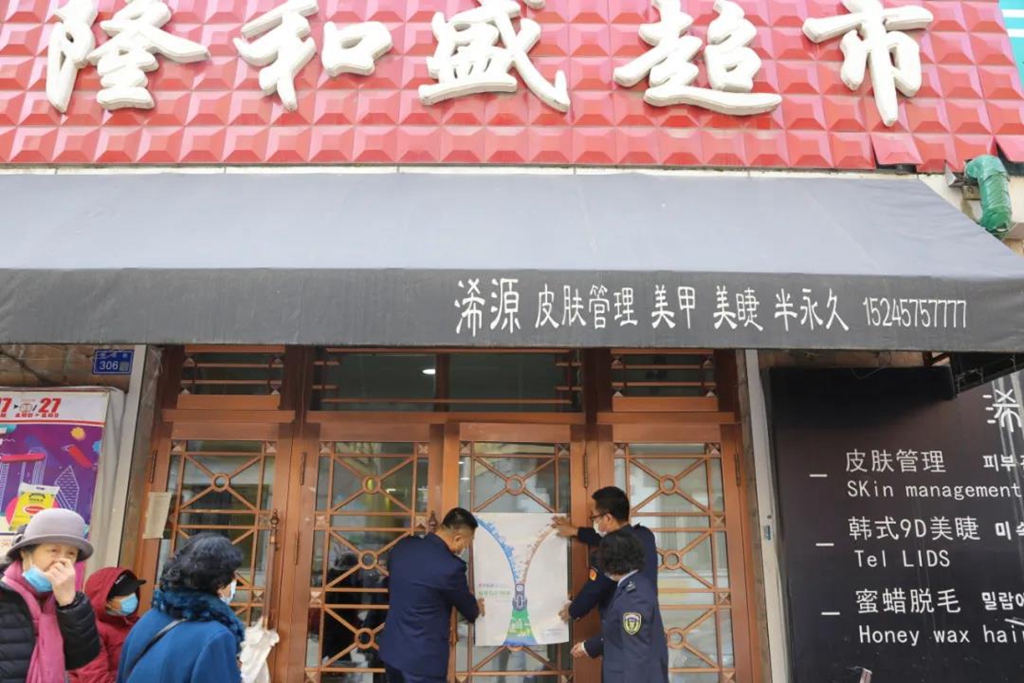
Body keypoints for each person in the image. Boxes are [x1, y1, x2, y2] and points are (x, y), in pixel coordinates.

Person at [117, 533, 245, 683]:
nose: (235, 581)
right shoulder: (216, 637)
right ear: (219, 582)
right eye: (233, 575)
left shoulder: (147, 620)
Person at [378, 507, 485, 683]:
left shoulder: (404, 546)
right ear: (458, 538)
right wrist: (477, 605)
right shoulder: (451, 568)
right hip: (423, 662)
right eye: (467, 543)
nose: (465, 548)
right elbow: (470, 611)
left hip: (393, 653)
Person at [551, 486, 658, 655]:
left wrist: (572, 611)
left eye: (594, 517)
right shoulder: (644, 536)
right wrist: (576, 531)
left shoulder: (610, 551)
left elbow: (595, 588)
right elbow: (610, 538)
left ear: (607, 518)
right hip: (648, 629)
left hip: (622, 635)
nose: (594, 521)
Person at [0, 508, 101, 683]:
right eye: (53, 550)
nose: (61, 561)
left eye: (71, 554)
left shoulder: (71, 602)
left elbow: (82, 657)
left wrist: (69, 605)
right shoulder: (5, 595)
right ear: (25, 552)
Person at [571, 531, 668, 682]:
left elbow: (636, 652)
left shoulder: (634, 596)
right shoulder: (634, 585)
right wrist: (587, 646)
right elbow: (617, 630)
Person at [70, 568, 147, 683]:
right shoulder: (89, 632)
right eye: (125, 594)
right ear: (107, 601)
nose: (132, 596)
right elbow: (95, 678)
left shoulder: (134, 623)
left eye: (133, 592)